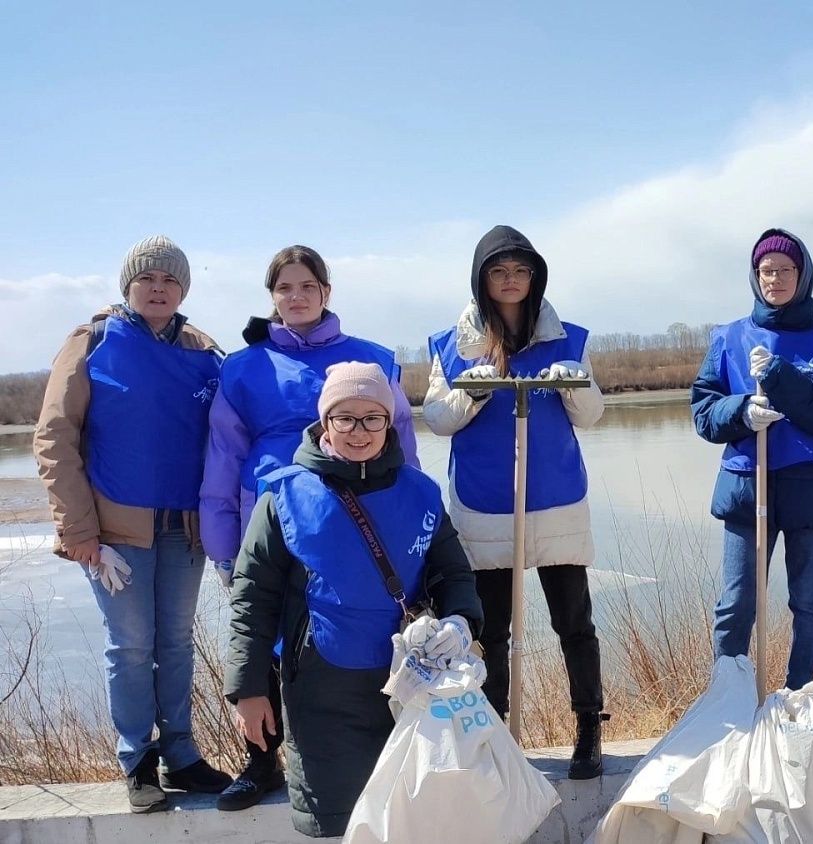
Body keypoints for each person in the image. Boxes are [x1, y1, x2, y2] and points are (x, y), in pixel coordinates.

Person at [199, 245, 419, 810]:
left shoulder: (372, 359)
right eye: (284, 288)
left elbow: (402, 447)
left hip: (359, 521)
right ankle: (262, 763)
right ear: (271, 297)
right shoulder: (243, 367)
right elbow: (223, 457)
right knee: (270, 638)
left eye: (307, 287)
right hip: (271, 518)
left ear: (326, 292)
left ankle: (382, 753)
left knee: (365, 633)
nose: (295, 297)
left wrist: (412, 521)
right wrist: (223, 546)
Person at [223, 362, 482, 837]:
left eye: (372, 417)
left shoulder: (421, 493)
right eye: (345, 418)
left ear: (389, 422)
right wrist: (249, 689)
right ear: (325, 422)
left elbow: (452, 572)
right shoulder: (284, 495)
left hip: (413, 691)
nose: (359, 431)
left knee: (413, 820)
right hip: (322, 694)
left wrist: (461, 622)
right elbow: (252, 599)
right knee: (338, 823)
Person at [32, 236, 232, 812]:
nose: (158, 288)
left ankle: (182, 755)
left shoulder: (204, 351)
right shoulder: (92, 342)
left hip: (185, 531)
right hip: (116, 535)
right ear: (128, 285)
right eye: (147, 278)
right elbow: (54, 439)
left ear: (183, 289)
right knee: (130, 646)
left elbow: (225, 439)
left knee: (177, 643)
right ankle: (137, 761)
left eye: (170, 280)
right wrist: (80, 534)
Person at [423, 225, 609, 779]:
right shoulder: (452, 346)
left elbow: (592, 416)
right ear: (481, 279)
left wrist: (577, 384)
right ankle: (496, 736)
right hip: (485, 503)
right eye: (499, 271)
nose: (510, 280)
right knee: (490, 631)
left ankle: (588, 727)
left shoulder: (568, 340)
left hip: (555, 500)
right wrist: (473, 392)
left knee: (574, 622)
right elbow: (437, 419)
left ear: (535, 278)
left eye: (520, 271)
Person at [691, 228, 813, 691]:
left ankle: (796, 697)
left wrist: (781, 377)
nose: (776, 279)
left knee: (808, 602)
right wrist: (741, 410)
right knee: (737, 602)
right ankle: (730, 697)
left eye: (786, 270)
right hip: (748, 487)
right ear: (755, 276)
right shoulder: (728, 339)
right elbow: (703, 413)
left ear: (802, 275)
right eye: (767, 271)